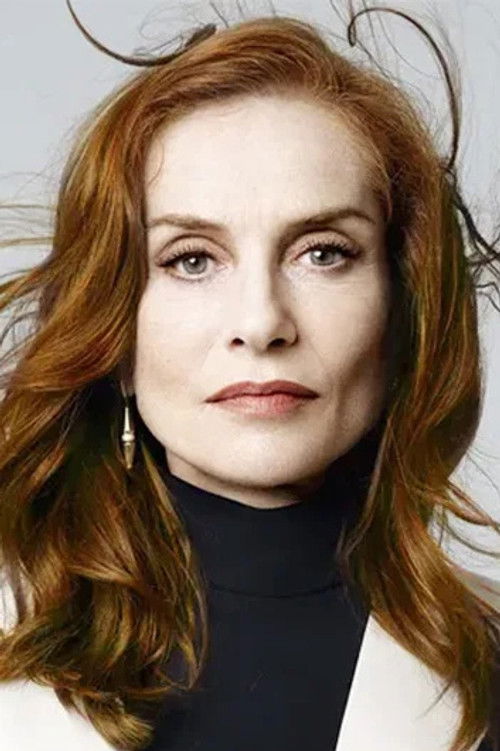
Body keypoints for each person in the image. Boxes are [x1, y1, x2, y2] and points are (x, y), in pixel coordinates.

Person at [0, 3, 499, 751]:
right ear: (114, 331)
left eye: (323, 252)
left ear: (403, 310)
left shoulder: (486, 664)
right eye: (192, 259)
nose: (262, 322)